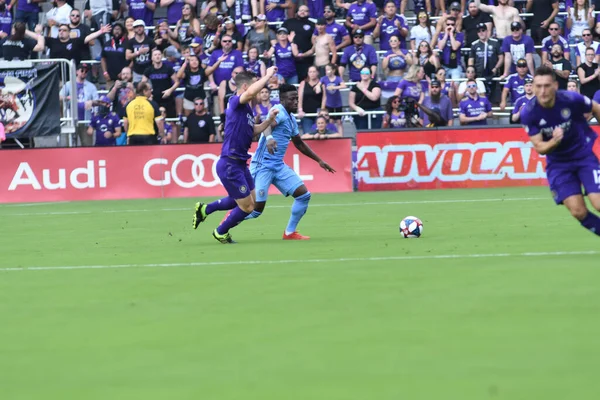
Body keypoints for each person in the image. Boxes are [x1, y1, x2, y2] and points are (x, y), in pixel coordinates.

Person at [192, 67, 279, 244]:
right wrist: (268, 76)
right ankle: (220, 231)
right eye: (255, 86)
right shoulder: (234, 101)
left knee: (250, 200)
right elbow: (251, 92)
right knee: (247, 206)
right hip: (230, 164)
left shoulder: (247, 110)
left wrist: (268, 121)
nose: (258, 91)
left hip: (240, 164)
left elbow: (253, 130)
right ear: (246, 86)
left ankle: (205, 209)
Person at [245, 83, 335, 240]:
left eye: (296, 98)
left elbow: (299, 143)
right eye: (291, 99)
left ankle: (289, 232)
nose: (295, 102)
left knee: (303, 196)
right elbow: (266, 126)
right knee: (255, 209)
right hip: (263, 166)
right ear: (282, 99)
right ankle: (225, 222)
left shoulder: (291, 119)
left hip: (277, 166)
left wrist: (319, 160)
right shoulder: (278, 112)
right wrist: (270, 138)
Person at [520, 65, 600, 237]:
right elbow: (540, 147)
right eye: (538, 86)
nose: (542, 91)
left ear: (555, 86)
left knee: (598, 203)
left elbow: (595, 107)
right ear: (533, 87)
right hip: (558, 164)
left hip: (583, 156)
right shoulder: (529, 113)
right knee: (578, 211)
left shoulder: (570, 99)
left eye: (547, 86)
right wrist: (554, 141)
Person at [59, 62, 98, 146]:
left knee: (87, 146)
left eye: (86, 71)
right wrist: (67, 97)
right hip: (71, 120)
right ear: (77, 71)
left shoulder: (91, 86)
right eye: (82, 70)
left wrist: (92, 103)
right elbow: (59, 96)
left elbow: (97, 102)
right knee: (69, 146)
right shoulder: (68, 84)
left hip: (86, 121)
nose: (84, 72)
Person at [297, 66, 323, 134]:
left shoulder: (321, 83)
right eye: (310, 72)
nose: (312, 73)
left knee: (320, 135)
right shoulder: (303, 83)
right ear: (308, 73)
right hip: (306, 114)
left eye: (314, 71)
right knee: (308, 135)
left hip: (319, 114)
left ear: (317, 73)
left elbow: (325, 98)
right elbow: (300, 97)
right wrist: (300, 110)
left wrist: (322, 109)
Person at [320, 63, 346, 133]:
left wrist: (334, 87)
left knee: (339, 121)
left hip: (338, 104)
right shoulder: (324, 78)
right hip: (329, 104)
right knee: (330, 121)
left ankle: (341, 137)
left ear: (333, 70)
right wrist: (317, 87)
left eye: (328, 69)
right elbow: (318, 84)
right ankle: (331, 135)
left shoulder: (338, 79)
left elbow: (344, 86)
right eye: (326, 70)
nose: (326, 71)